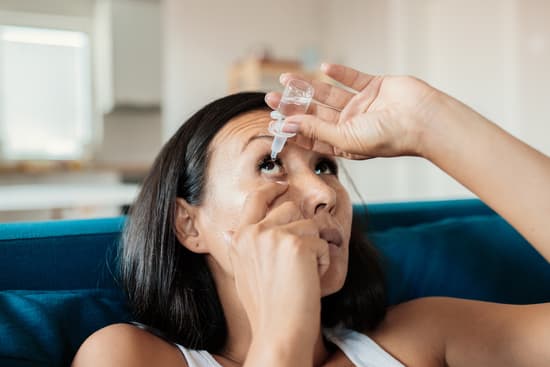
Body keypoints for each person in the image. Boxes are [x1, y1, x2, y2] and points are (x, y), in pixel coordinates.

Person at [72, 63, 550, 367]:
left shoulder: (424, 335)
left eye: (325, 166)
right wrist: (282, 333)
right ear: (189, 225)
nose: (324, 192)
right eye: (270, 163)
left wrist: (430, 123)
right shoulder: (125, 356)